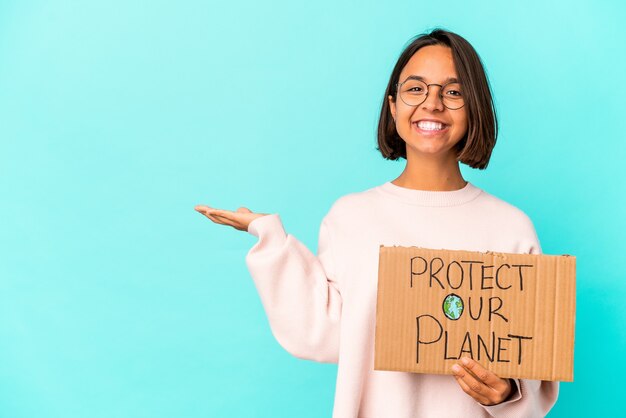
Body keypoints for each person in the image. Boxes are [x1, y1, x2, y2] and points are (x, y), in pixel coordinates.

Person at [195, 28, 559, 418]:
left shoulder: (512, 228)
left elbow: (531, 378)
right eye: (415, 89)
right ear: (392, 106)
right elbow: (325, 334)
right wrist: (269, 236)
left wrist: (508, 394)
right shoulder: (352, 217)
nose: (432, 104)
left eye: (453, 92)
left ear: (475, 108)